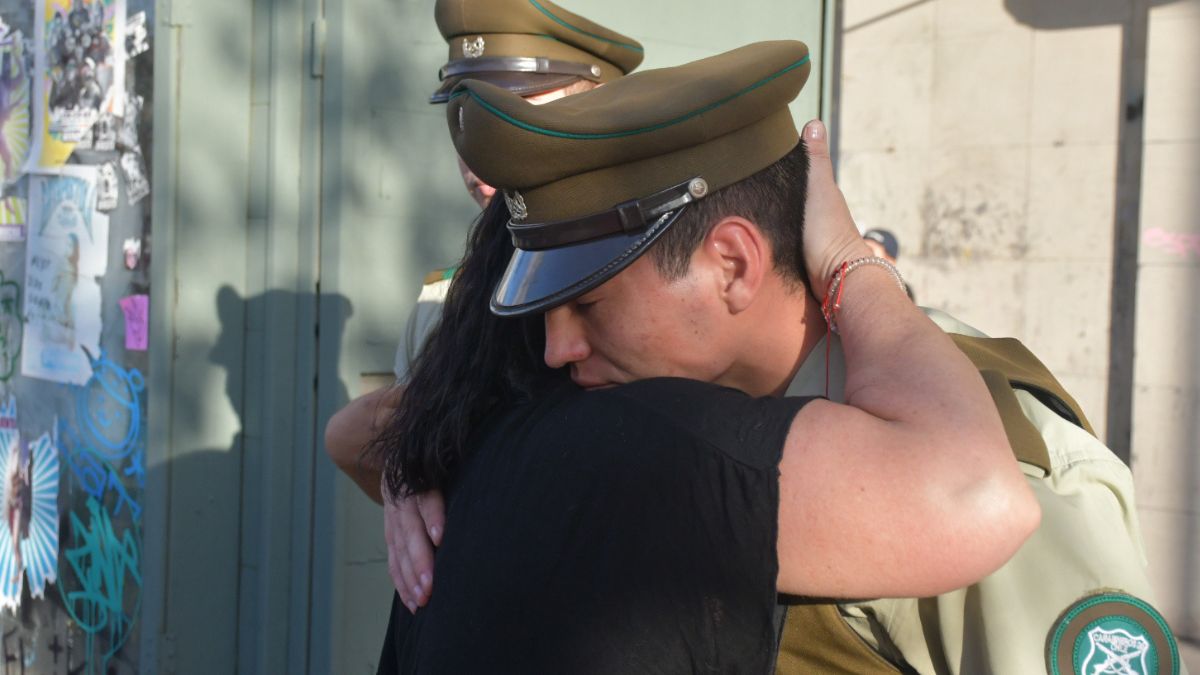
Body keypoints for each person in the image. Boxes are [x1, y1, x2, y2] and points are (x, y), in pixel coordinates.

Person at [393, 39, 1185, 675]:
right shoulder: (628, 398)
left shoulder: (1005, 452)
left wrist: (854, 265)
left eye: (590, 303)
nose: (558, 348)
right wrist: (424, 466)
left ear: (732, 265)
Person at [324, 0, 645, 503]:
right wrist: (407, 482)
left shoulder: (658, 282)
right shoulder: (441, 304)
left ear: (599, 117)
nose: (478, 159)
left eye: (515, 121)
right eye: (464, 122)